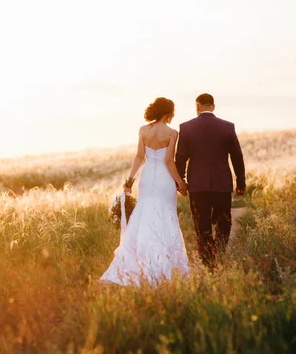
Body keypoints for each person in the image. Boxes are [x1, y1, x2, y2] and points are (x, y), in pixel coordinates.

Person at [100, 97, 189, 286]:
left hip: (147, 178)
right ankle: (164, 263)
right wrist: (180, 182)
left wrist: (130, 180)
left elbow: (139, 156)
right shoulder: (172, 133)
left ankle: (139, 260)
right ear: (167, 113)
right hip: (164, 179)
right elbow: (168, 162)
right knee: (165, 215)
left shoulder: (143, 130)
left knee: (145, 215)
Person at [176, 93, 246, 268]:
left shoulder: (186, 127)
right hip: (221, 183)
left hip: (197, 184)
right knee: (224, 221)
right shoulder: (228, 127)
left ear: (197, 106)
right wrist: (241, 182)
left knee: (201, 222)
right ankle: (219, 253)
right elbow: (237, 156)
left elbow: (181, 157)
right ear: (213, 107)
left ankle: (208, 260)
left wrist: (180, 181)